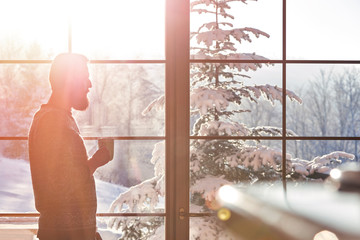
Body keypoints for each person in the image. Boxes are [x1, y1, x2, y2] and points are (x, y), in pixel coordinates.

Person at [28, 53, 111, 240]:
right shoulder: (52, 121)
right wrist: (96, 162)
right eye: (84, 78)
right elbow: (61, 184)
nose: (89, 84)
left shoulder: (58, 118)